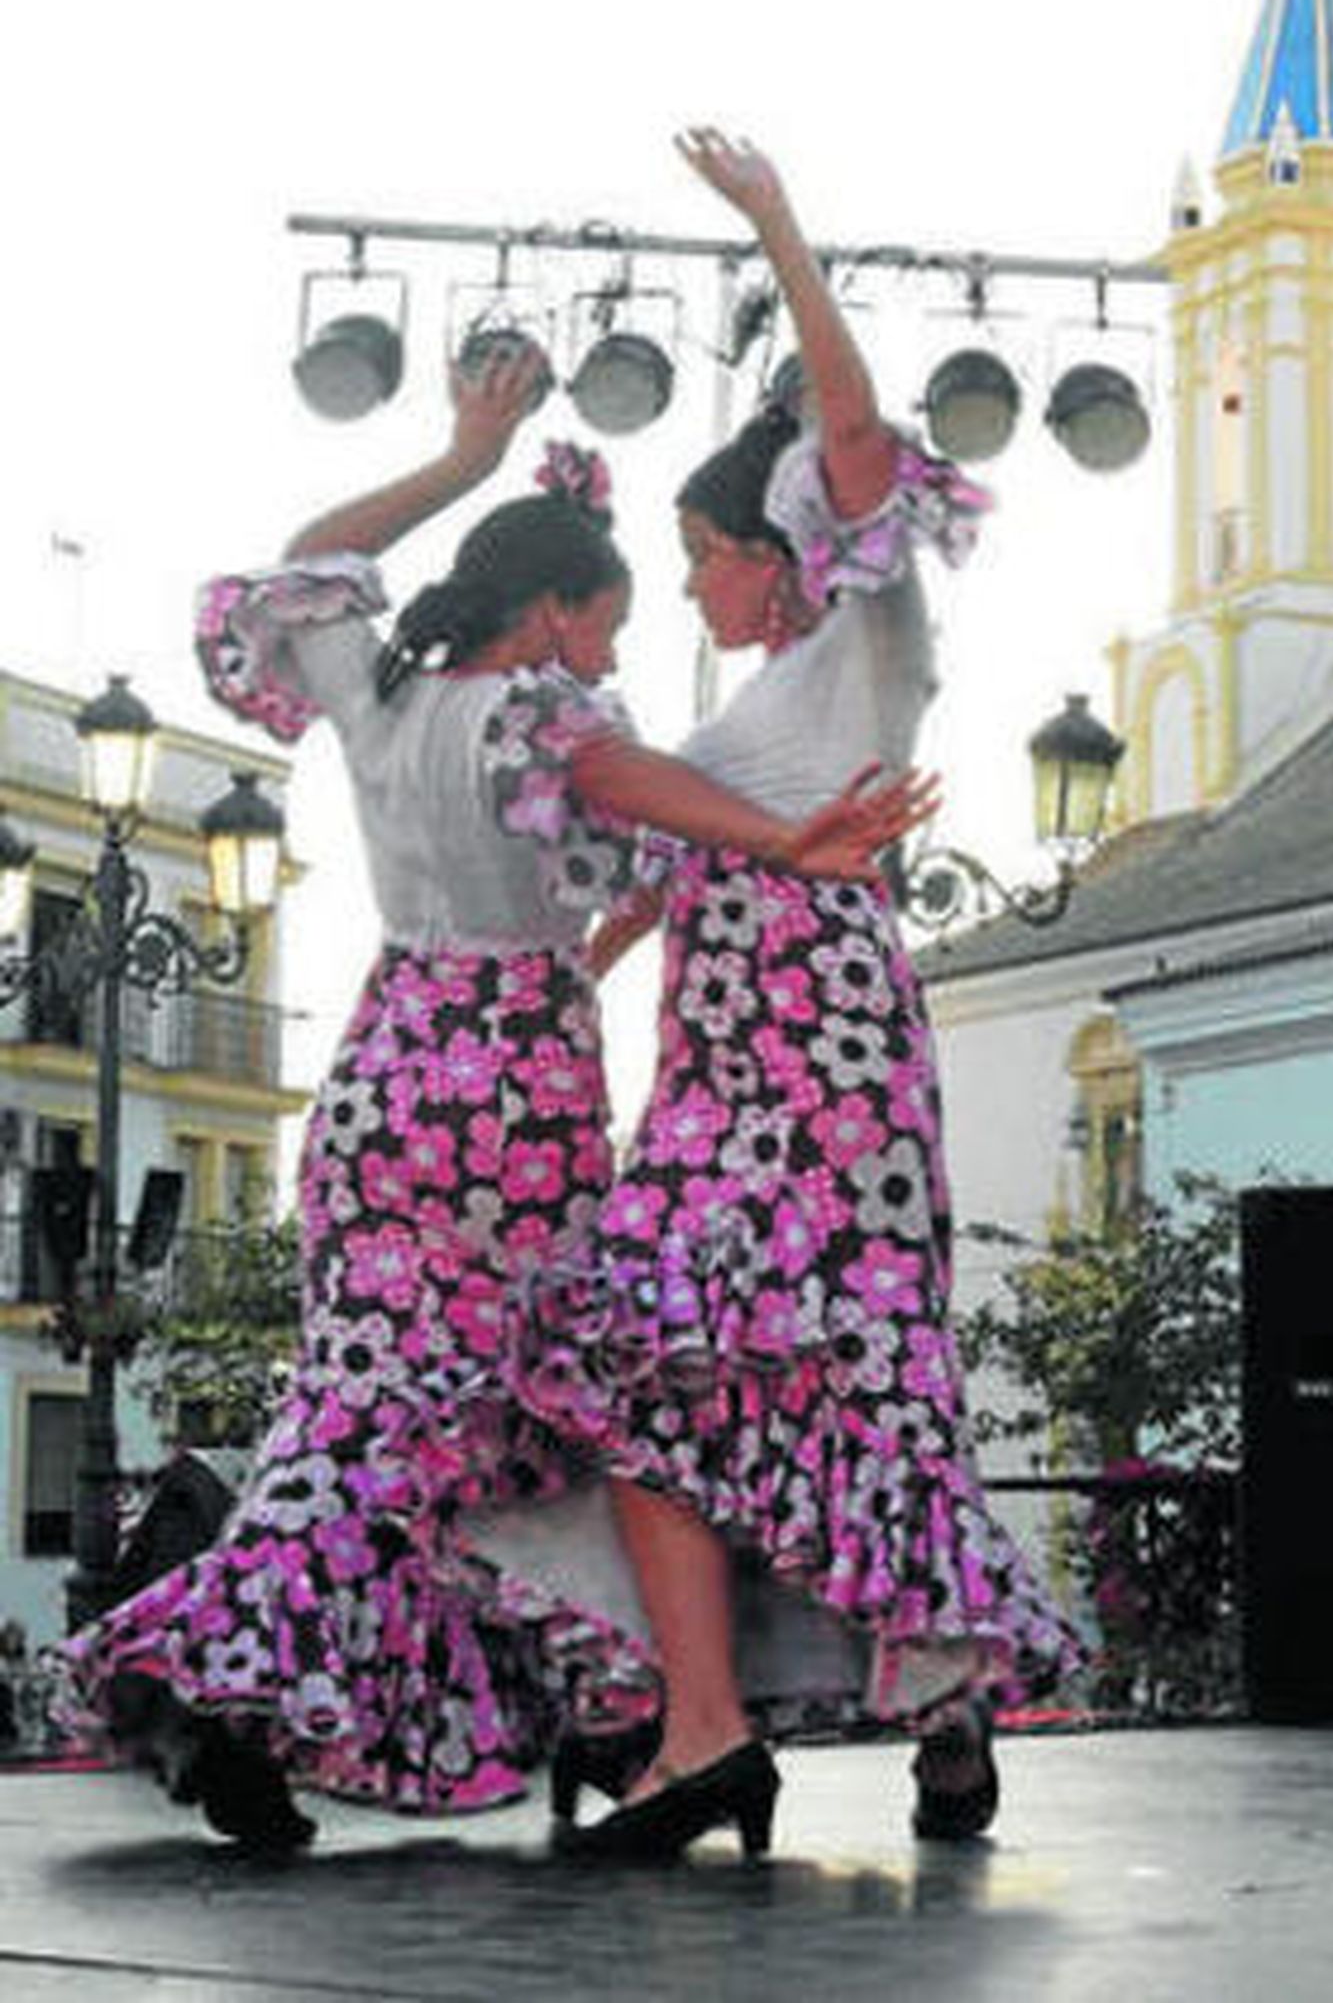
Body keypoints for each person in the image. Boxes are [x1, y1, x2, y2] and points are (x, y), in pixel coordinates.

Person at [54, 353, 931, 1853]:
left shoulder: (374, 691)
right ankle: (629, 1717)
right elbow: (629, 777)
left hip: (387, 1067)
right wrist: (792, 843)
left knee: (360, 1413)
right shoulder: (533, 711)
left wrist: (462, 457)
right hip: (511, 1094)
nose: (606, 653)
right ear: (549, 614)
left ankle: (264, 1688)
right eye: (604, 622)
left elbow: (297, 572)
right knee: (546, 1407)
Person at [560, 132, 1082, 1862]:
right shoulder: (741, 722)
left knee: (855, 1371)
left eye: (706, 554)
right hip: (710, 1069)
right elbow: (641, 879)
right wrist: (540, 1000)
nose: (697, 588)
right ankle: (704, 1724)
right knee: (650, 1358)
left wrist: (784, 232)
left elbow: (853, 438)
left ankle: (940, 1710)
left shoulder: (870, 643)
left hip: (828, 1051)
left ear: (775, 552)